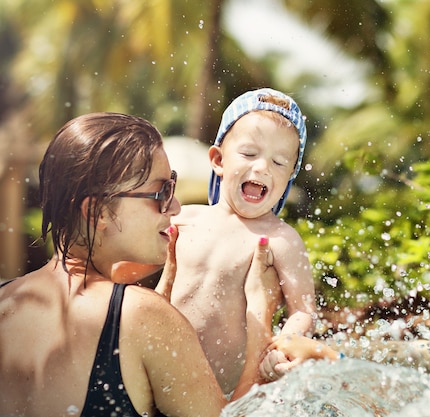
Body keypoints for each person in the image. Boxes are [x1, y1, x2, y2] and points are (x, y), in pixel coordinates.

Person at [0, 112, 338, 417]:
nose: (176, 207)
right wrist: (260, 324)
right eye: (161, 192)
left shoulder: (6, 302)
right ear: (98, 212)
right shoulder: (142, 316)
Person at [169, 88, 316, 395]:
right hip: (164, 373)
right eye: (249, 154)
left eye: (279, 162)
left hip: (230, 391)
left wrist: (287, 343)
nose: (262, 167)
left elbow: (303, 310)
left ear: (290, 176)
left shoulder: (281, 240)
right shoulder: (185, 219)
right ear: (218, 160)